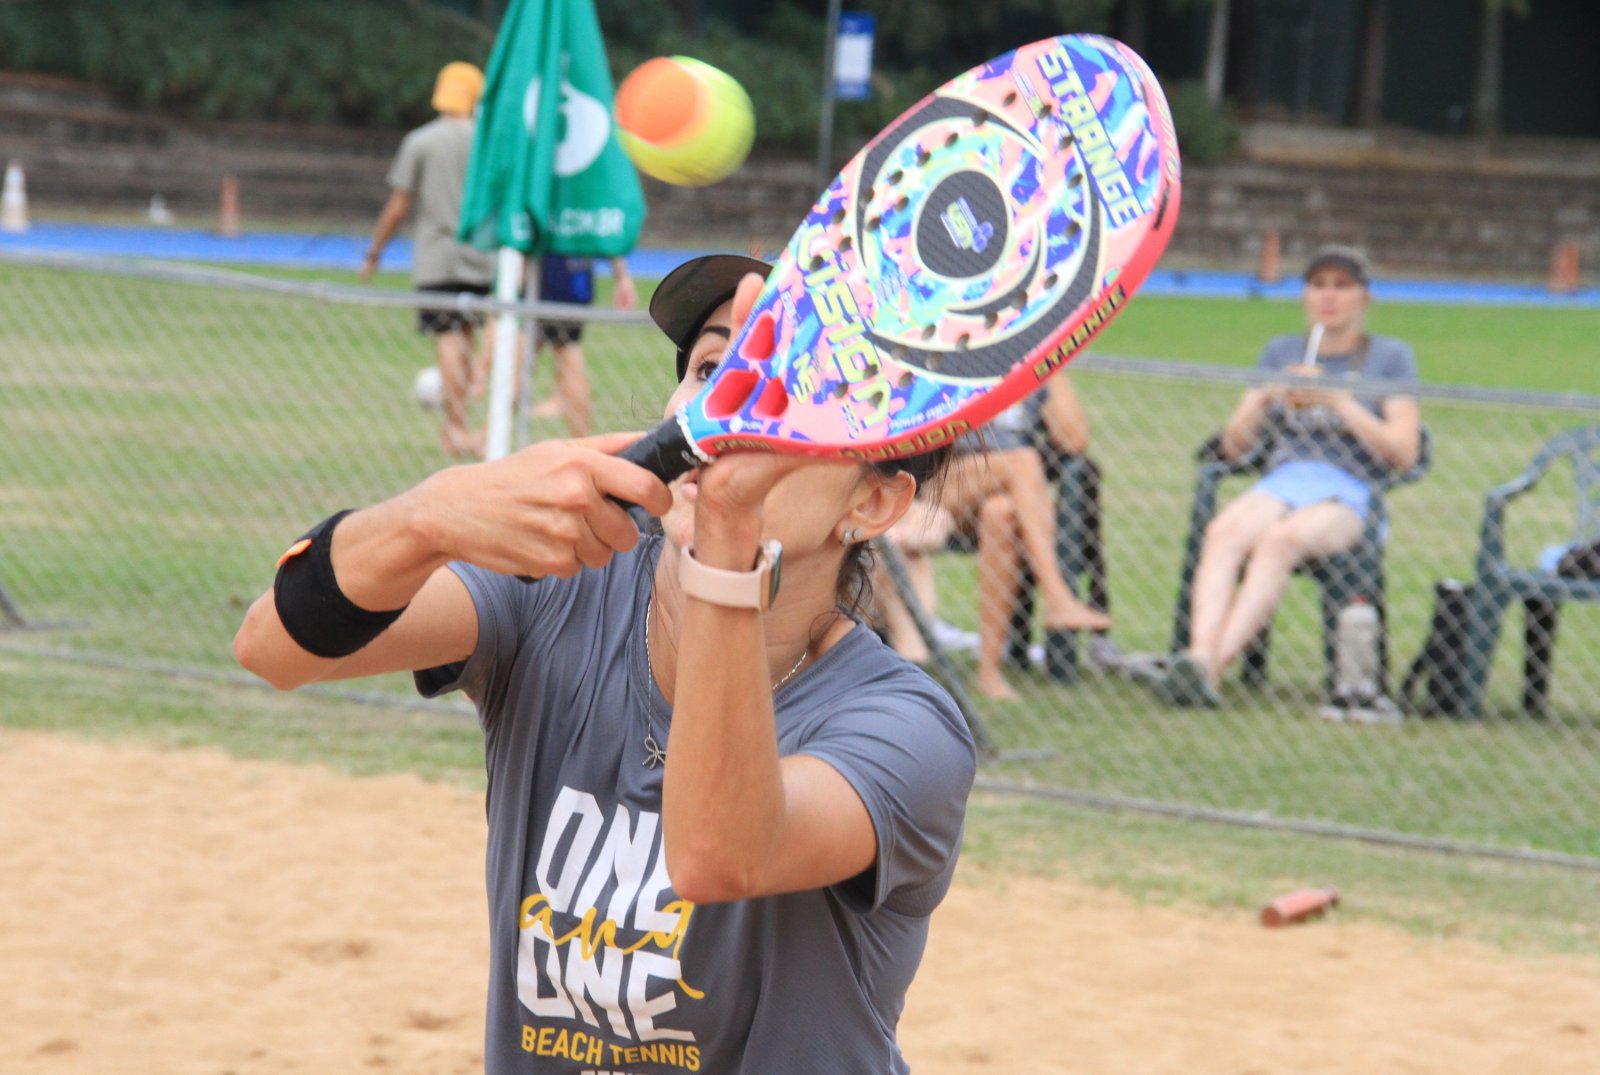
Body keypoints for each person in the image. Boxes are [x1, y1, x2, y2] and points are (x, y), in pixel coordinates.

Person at [233, 253, 976, 1072]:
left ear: (873, 501)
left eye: (787, 387)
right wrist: (429, 516)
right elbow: (273, 646)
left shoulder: (905, 728)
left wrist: (728, 538)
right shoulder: (559, 590)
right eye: (710, 368)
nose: (729, 405)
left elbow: (719, 854)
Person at [1158, 244, 1421, 707]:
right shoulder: (1282, 352)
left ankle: (1210, 670)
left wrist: (1339, 401)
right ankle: (1198, 658)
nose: (1329, 297)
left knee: (1281, 541)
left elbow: (1404, 452)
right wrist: (1263, 398)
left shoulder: (1389, 358)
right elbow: (1234, 446)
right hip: (1284, 480)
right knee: (1224, 532)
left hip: (1349, 492)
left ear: (1364, 297)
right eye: (1319, 285)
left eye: (1342, 286)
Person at [878, 376, 1111, 700]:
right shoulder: (959, 355)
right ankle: (1057, 598)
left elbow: (1073, 440)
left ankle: (989, 673)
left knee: (1001, 513)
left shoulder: (1030, 368)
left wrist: (1050, 363)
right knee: (1023, 461)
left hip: (1003, 493)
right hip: (938, 486)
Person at [362, 61, 495, 459]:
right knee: (467, 337)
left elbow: (398, 206)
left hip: (437, 256)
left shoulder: (420, 141)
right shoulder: (487, 143)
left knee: (447, 338)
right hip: (482, 255)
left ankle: (455, 425)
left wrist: (374, 252)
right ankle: (461, 419)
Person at [522, 254, 638, 437]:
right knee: (532, 351)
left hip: (561, 278)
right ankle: (489, 432)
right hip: (569, 278)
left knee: (561, 349)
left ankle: (581, 439)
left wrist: (622, 277)